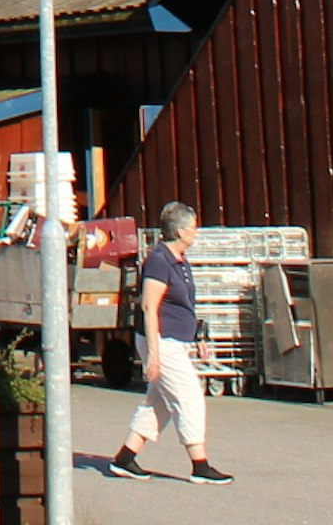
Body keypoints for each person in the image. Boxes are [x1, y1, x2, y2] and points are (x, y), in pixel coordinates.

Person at [112, 202, 232, 485]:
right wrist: (153, 355)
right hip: (161, 341)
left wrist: (199, 336)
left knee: (160, 402)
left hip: (175, 341)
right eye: (193, 227)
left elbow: (186, 304)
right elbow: (149, 308)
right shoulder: (159, 261)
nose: (196, 233)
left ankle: (125, 459)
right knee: (188, 397)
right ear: (180, 230)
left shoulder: (179, 259)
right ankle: (199, 464)